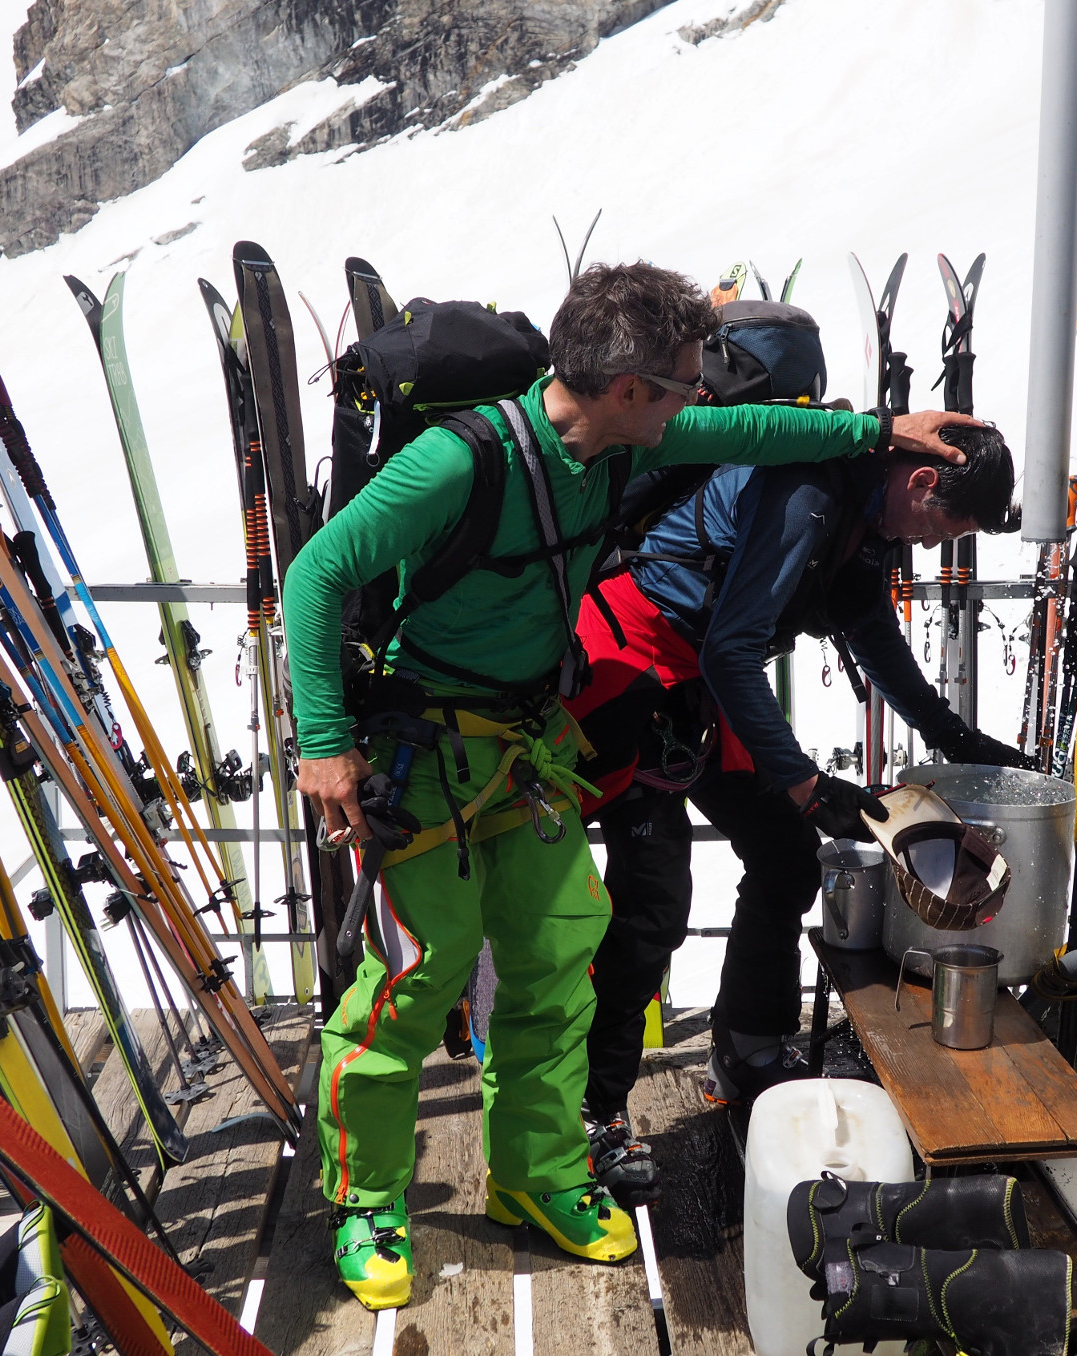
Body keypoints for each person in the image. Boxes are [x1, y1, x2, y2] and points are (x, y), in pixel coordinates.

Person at [284, 261, 977, 1311]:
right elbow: (318, 572)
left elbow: (760, 434)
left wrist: (878, 435)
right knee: (418, 980)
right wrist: (324, 741)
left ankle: (538, 1170)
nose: (699, 404)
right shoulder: (455, 463)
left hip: (524, 751)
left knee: (561, 955)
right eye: (686, 385)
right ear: (627, 389)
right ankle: (368, 1199)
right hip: (423, 755)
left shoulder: (616, 441)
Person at [565, 415, 1029, 1207]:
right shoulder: (812, 495)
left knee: (784, 858)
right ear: (920, 481)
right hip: (635, 668)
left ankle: (749, 1049)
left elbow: (874, 635)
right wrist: (809, 787)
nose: (925, 546)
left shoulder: (867, 519)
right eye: (937, 528)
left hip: (703, 685)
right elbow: (732, 649)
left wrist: (961, 739)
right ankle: (594, 1113)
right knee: (654, 899)